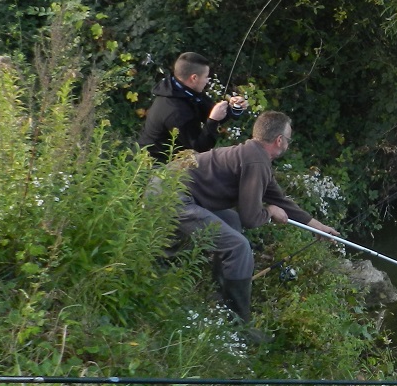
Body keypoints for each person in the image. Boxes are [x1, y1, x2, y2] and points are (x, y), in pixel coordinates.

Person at [175, 110, 338, 325]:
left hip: (175, 190)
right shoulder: (256, 162)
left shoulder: (254, 157)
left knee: (231, 222)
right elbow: (251, 218)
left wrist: (318, 227)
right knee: (238, 247)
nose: (287, 143)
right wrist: (269, 213)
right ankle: (240, 324)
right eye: (288, 139)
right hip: (172, 197)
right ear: (279, 140)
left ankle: (220, 296)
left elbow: (279, 200)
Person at [138, 51, 245, 162]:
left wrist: (234, 107)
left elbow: (211, 112)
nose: (207, 81)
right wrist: (213, 120)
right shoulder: (176, 111)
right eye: (206, 77)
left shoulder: (184, 90)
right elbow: (200, 147)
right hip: (156, 168)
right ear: (194, 78)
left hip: (178, 159)